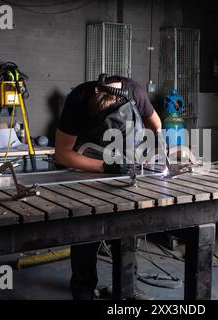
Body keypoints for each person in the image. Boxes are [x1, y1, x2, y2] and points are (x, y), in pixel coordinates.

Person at [55, 74, 162, 300]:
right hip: (87, 169)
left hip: (126, 168)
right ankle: (83, 291)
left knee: (127, 230)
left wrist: (150, 153)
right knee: (86, 234)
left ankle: (125, 289)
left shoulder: (135, 92)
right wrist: (105, 167)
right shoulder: (78, 98)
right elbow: (63, 154)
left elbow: (157, 126)